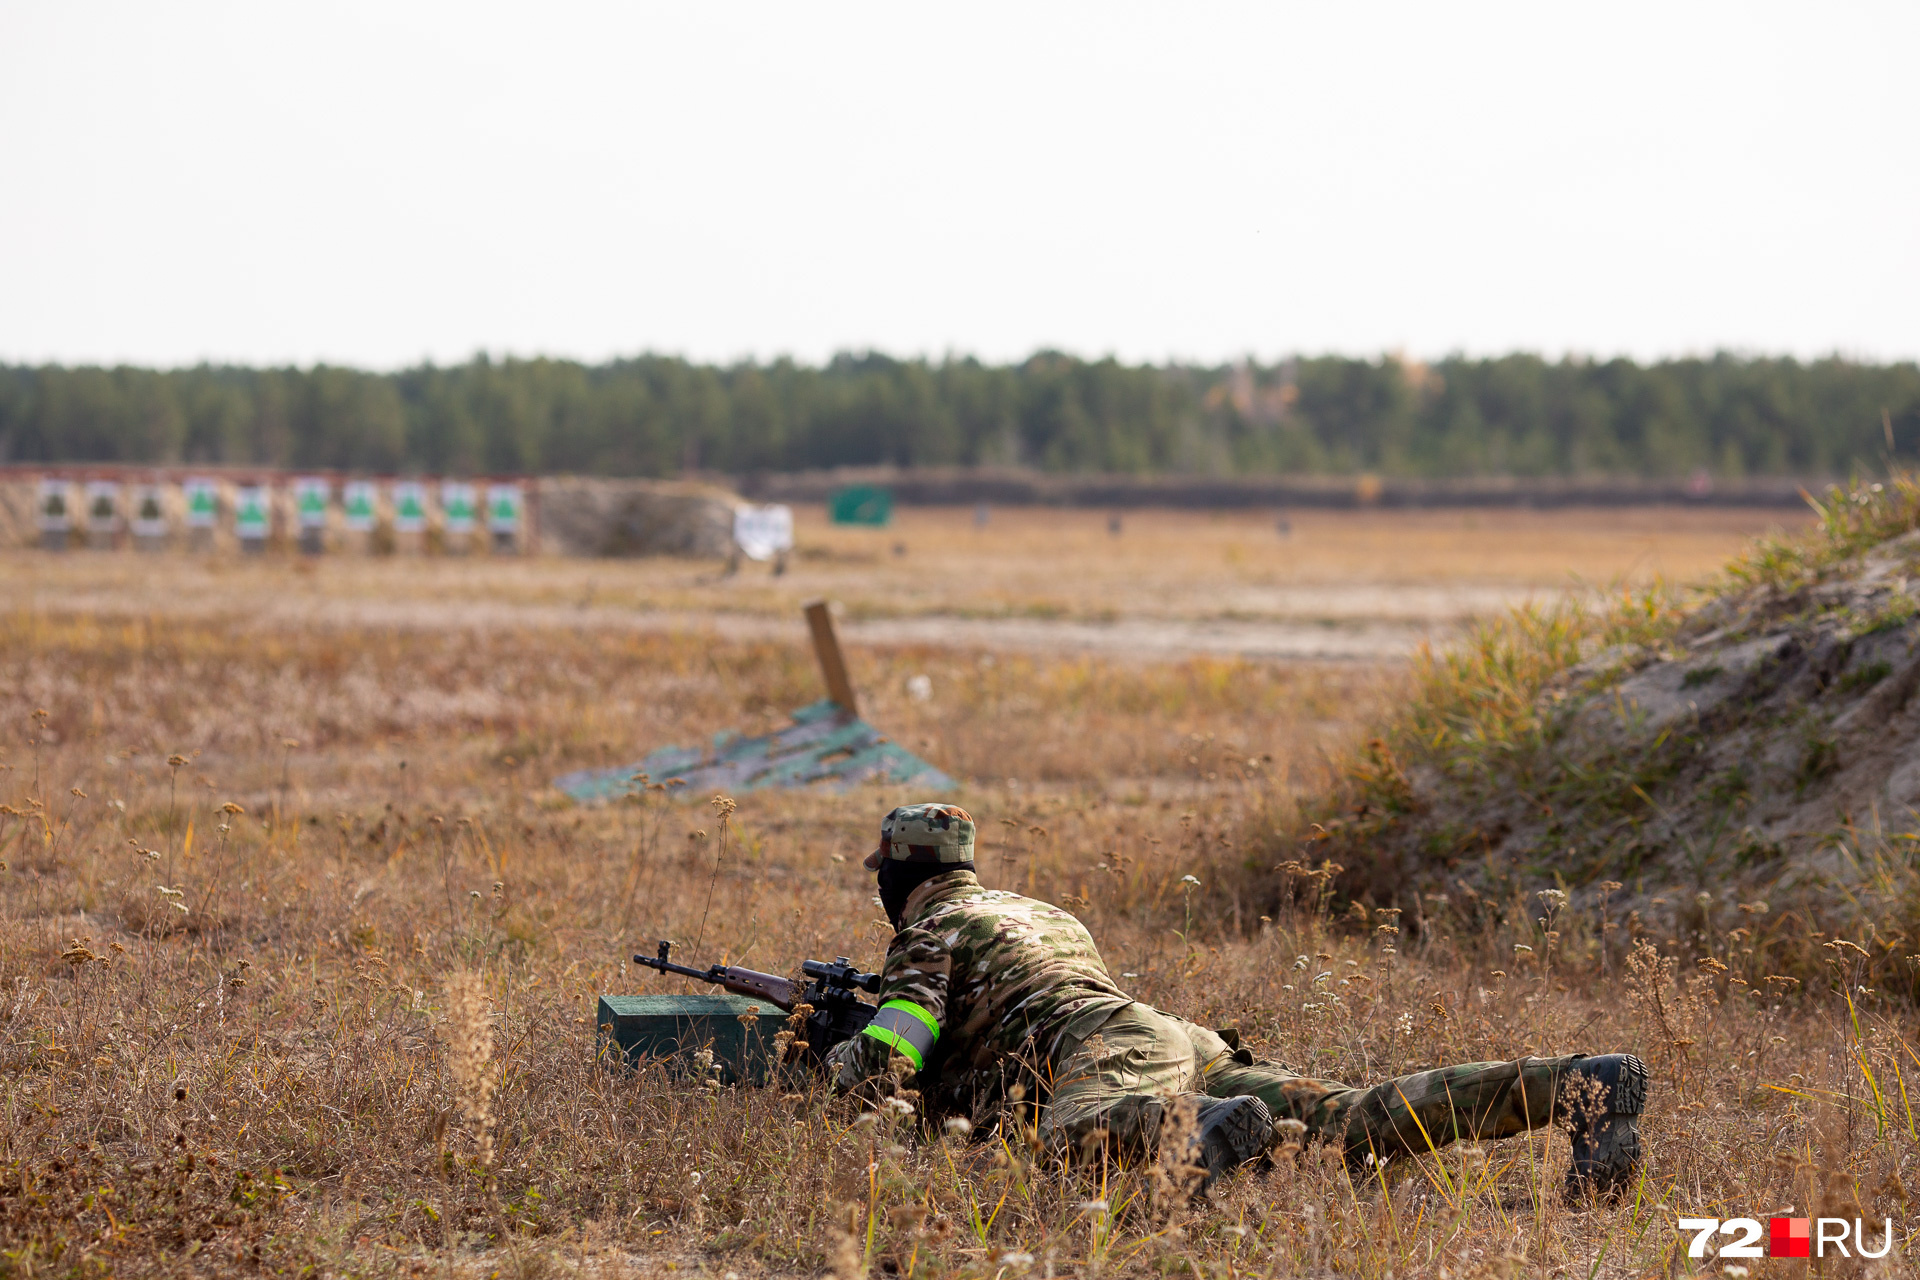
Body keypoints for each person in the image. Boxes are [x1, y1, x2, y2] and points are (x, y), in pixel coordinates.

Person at [825, 803, 1647, 1197]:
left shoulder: (928, 932)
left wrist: (832, 1060)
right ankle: (1581, 1084)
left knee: (1067, 1135)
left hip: (1112, 1046)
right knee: (1348, 1122)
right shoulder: (1038, 910)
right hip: (1177, 1040)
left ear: (899, 878)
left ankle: (1202, 1132)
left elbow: (892, 1055)